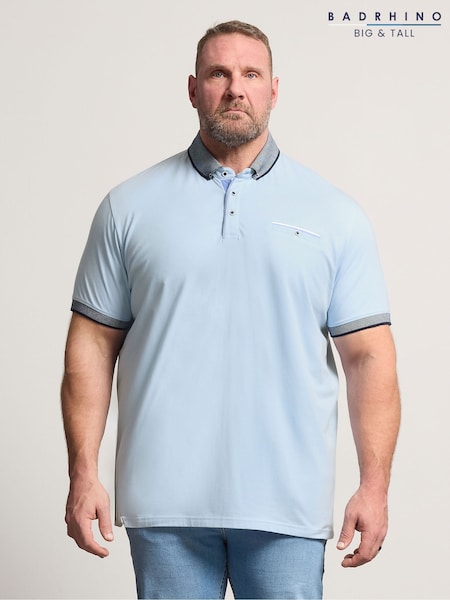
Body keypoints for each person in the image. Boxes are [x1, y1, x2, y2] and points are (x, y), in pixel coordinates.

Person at [61, 20, 400, 600]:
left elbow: (369, 357)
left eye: (251, 74)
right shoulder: (128, 207)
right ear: (194, 89)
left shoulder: (334, 214)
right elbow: (91, 345)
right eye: (219, 73)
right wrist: (83, 472)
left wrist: (375, 486)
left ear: (274, 89)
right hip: (164, 504)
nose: (235, 88)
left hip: (287, 506)